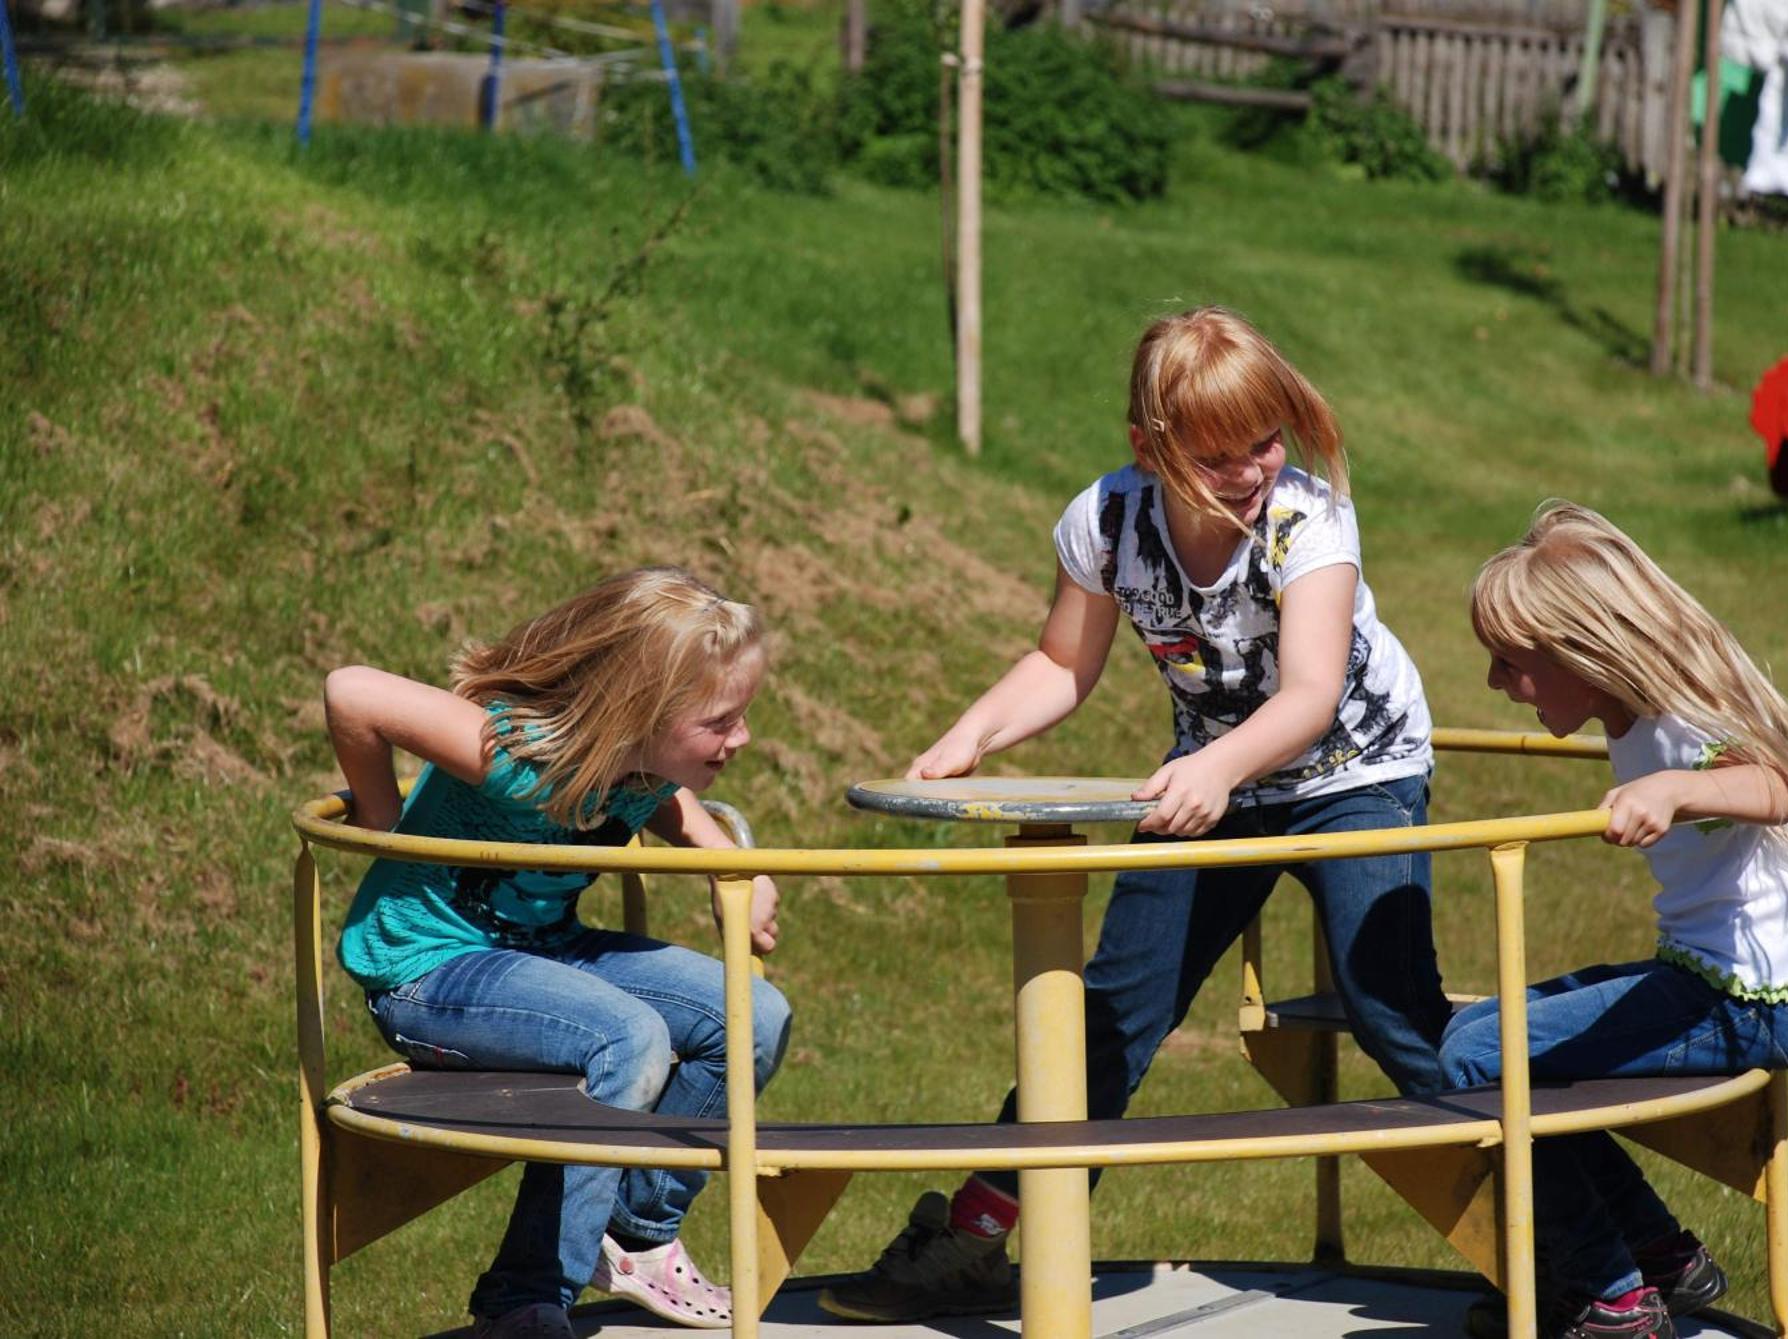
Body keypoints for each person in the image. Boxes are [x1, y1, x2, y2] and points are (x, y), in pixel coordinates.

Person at [819, 306, 1449, 1323]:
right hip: (1211, 781)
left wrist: (1218, 768)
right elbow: (1062, 662)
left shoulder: (1305, 520)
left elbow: (1308, 695)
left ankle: (1603, 1252)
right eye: (1217, 455)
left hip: (1353, 775)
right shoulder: (1106, 522)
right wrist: (970, 735)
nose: (1250, 469)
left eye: (1265, 441)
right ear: (1146, 448)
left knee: (1393, 1010)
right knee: (1104, 1014)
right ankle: (971, 1243)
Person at [324, 567, 792, 1339]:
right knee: (628, 1038)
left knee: (753, 1014)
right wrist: (383, 816)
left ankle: (634, 1234)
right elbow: (352, 691)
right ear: (641, 710)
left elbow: (666, 798)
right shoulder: (516, 752)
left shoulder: (645, 759)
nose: (740, 737)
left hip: (546, 952)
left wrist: (721, 857)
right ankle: (525, 1300)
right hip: (430, 965)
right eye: (720, 720)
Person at [1448, 502, 1788, 1339]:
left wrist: (1676, 789)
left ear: (1580, 653)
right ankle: (1657, 1253)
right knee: (1486, 1035)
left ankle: (1611, 1293)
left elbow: (1778, 785)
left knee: (1476, 1058)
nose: (1497, 682)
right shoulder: (1630, 716)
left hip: (1749, 1001)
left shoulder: (1681, 722)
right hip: (1710, 980)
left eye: (1509, 663)